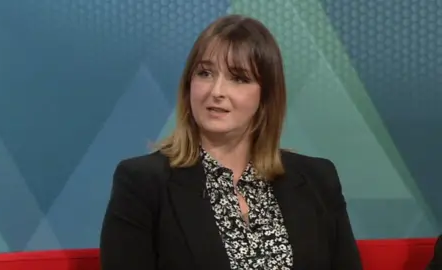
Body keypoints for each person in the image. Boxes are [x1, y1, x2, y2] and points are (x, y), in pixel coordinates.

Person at [99, 14, 362, 270]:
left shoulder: (318, 179)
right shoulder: (142, 182)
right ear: (189, 84)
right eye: (205, 73)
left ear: (266, 96)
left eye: (239, 78)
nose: (216, 91)